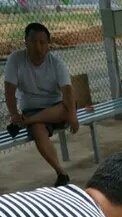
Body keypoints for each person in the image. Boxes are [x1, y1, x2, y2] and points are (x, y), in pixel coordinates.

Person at [4, 22, 78, 187]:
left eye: (42, 43)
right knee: (38, 130)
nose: (38, 47)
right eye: (33, 42)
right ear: (25, 42)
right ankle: (61, 172)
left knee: (64, 108)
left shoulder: (56, 63)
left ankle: (28, 121)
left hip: (57, 106)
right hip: (32, 109)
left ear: (48, 45)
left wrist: (72, 115)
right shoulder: (15, 60)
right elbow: (9, 91)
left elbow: (67, 92)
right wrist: (14, 113)